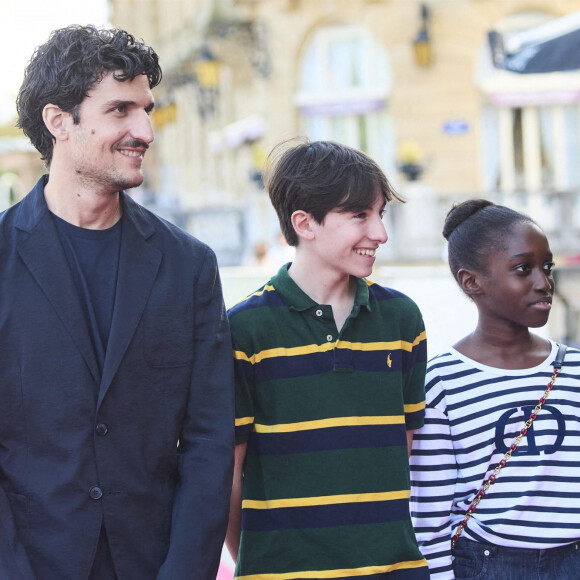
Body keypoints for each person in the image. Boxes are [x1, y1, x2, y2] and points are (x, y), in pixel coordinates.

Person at [0, 25, 234, 579]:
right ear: (59, 122)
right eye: (121, 110)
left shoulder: (188, 265)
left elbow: (209, 439)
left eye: (147, 110)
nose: (146, 130)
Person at [226, 139, 430, 579]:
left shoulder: (402, 319)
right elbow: (229, 473)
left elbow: (403, 452)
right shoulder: (243, 330)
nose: (379, 233)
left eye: (381, 214)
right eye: (360, 215)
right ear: (304, 223)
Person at [410, 200, 580, 579]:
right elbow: (430, 516)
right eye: (524, 268)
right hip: (487, 564)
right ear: (472, 281)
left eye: (546, 267)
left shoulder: (574, 371)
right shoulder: (441, 382)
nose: (544, 281)